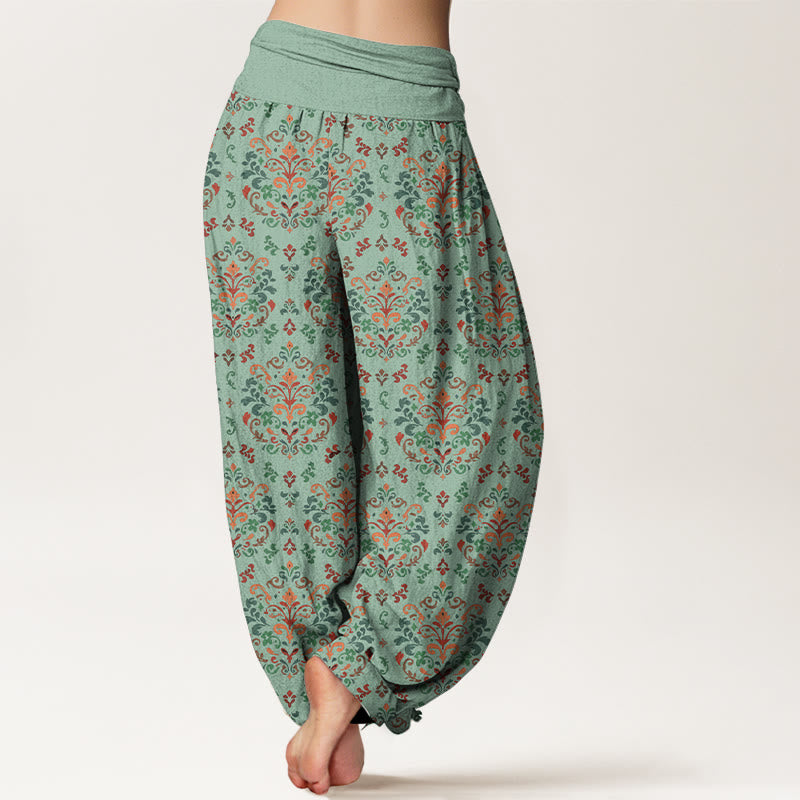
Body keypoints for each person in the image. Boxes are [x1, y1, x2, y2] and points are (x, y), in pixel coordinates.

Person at [201, 0, 544, 793]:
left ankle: (338, 680)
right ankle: (335, 682)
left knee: (317, 440)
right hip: (342, 128)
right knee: (324, 437)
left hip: (297, 126)